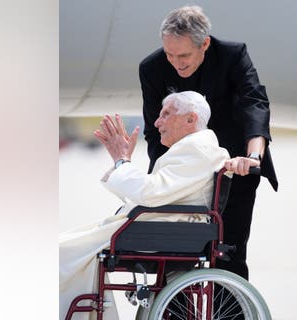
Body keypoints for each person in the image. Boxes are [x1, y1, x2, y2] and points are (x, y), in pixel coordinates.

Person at [59, 91, 230, 320]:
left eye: (166, 114)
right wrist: (123, 163)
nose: (157, 122)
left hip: (157, 232)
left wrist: (122, 162)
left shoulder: (196, 150)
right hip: (155, 227)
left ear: (190, 119)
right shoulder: (194, 148)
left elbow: (151, 193)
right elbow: (155, 195)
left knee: (60, 253)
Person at [139, 5, 279, 280]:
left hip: (234, 164)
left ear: (204, 43)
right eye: (170, 54)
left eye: (184, 55)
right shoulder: (152, 68)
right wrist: (160, 179)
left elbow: (255, 103)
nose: (176, 63)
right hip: (184, 170)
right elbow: (154, 131)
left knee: (229, 254)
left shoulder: (232, 55)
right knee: (173, 258)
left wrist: (253, 157)